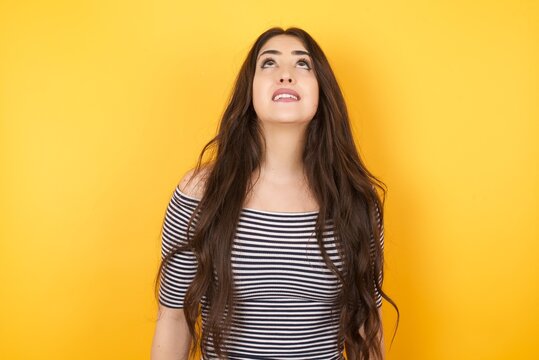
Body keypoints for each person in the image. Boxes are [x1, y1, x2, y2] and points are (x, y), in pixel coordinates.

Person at [151, 26, 399, 360]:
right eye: (268, 64)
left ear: (321, 92)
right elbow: (173, 316)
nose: (285, 75)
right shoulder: (200, 193)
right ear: (249, 91)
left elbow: (368, 325)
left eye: (302, 65)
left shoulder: (356, 200)